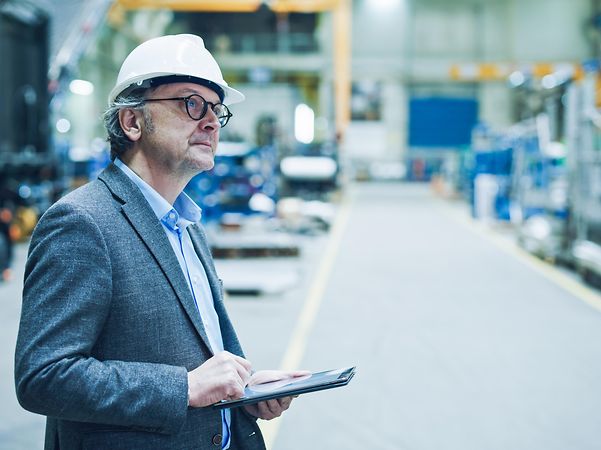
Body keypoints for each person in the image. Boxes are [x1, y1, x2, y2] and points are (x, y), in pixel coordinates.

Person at [15, 34, 306, 450]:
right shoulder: (81, 222)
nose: (209, 121)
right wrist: (183, 387)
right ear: (132, 122)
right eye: (191, 103)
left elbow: (200, 363)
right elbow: (43, 377)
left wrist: (245, 390)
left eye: (216, 110)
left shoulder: (188, 226)